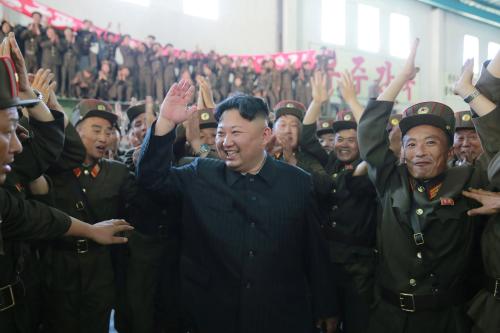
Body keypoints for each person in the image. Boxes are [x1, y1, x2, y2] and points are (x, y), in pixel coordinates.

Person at [136, 81, 338, 333]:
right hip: (211, 314)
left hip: (279, 314)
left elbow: (314, 250)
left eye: (236, 133)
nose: (225, 142)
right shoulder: (200, 174)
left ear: (265, 136)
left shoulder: (297, 182)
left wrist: (326, 305)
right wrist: (165, 122)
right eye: (221, 133)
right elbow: (151, 179)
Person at [357, 38, 500, 333]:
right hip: (389, 319)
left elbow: (496, 144)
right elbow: (370, 134)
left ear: (450, 152)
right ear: (402, 151)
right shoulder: (390, 180)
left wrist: (471, 93)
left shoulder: (470, 180)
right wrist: (402, 77)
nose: (419, 152)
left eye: (431, 142)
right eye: (411, 144)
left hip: (446, 319)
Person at [301, 71, 378, 333]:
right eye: (339, 139)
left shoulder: (372, 168)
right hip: (326, 261)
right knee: (325, 324)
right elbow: (306, 138)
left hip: (359, 268)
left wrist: (353, 101)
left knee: (358, 324)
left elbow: (375, 139)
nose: (344, 144)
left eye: (351, 139)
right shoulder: (329, 162)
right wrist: (316, 102)